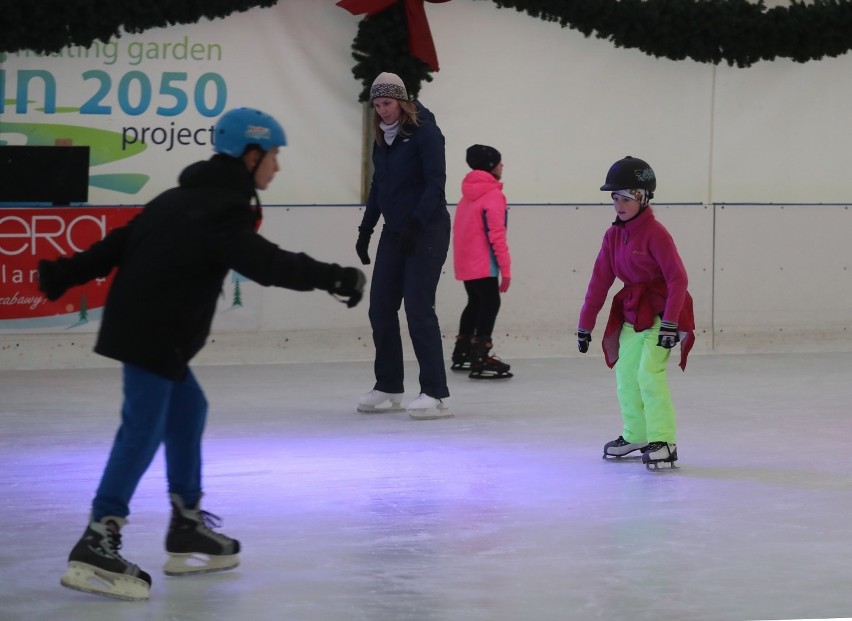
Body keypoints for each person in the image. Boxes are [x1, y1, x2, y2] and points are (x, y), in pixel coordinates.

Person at [38, 107, 366, 601]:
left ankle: (186, 524)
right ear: (250, 155)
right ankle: (98, 538)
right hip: (154, 332)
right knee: (143, 429)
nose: (276, 167)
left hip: (153, 330)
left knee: (189, 409)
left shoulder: (180, 199)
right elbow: (264, 263)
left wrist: (63, 273)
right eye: (273, 156)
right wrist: (331, 276)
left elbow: (120, 244)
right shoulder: (219, 210)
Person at [576, 156, 694, 470]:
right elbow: (599, 281)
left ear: (643, 197)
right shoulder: (613, 236)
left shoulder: (656, 233)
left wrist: (670, 324)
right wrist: (585, 324)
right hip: (632, 312)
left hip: (662, 310)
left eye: (626, 197)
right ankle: (636, 434)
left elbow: (678, 278)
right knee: (626, 375)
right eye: (615, 197)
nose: (619, 204)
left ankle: (664, 441)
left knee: (649, 374)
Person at [354, 71, 452, 420]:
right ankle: (389, 385)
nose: (383, 111)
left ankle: (435, 393)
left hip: (427, 229)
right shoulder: (383, 138)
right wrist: (366, 230)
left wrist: (414, 223)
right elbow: (379, 186)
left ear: (403, 101)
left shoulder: (426, 133)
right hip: (396, 232)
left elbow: (435, 184)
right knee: (380, 307)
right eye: (377, 105)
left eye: (388, 103)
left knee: (418, 308)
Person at [451, 144, 513, 379]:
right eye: (499, 162)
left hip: (467, 263)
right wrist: (505, 269)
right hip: (483, 264)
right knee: (490, 304)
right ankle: (480, 354)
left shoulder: (466, 196)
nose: (502, 166)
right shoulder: (493, 195)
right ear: (491, 166)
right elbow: (496, 234)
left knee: (474, 302)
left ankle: (463, 351)